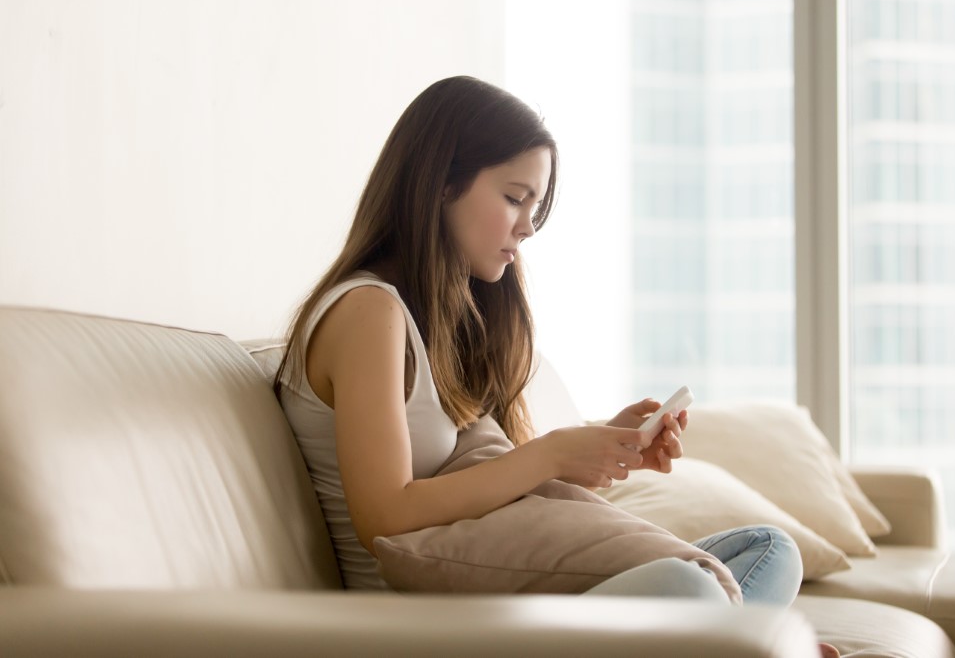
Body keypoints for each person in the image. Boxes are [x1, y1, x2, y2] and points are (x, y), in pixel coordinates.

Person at [273, 75, 837, 657]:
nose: (528, 226)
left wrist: (595, 451)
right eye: (515, 198)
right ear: (441, 184)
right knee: (688, 589)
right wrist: (551, 453)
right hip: (427, 623)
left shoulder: (439, 315)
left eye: (535, 206)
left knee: (768, 550)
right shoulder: (368, 312)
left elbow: (493, 496)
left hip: (493, 593)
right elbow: (384, 517)